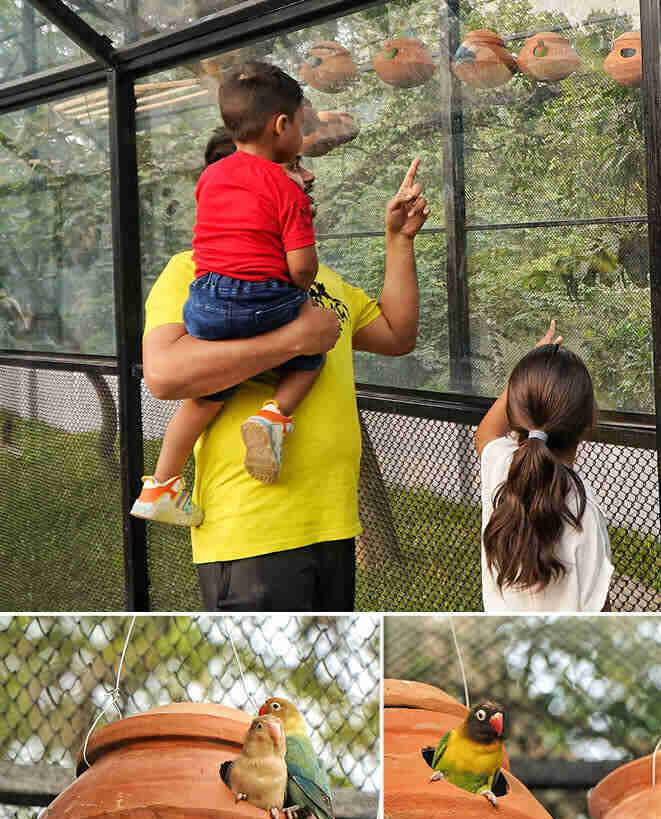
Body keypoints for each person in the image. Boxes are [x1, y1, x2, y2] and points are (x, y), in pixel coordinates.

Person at [140, 132, 428, 610]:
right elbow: (166, 375)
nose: (309, 174)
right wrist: (295, 340)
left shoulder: (320, 278)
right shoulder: (192, 271)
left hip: (333, 525)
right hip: (251, 532)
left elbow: (398, 335)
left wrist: (398, 240)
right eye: (293, 164)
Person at [133, 62, 322, 527]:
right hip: (263, 299)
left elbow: (224, 235)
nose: (302, 142)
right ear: (281, 126)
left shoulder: (210, 179)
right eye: (302, 129)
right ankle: (274, 416)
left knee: (207, 395)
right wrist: (301, 293)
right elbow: (300, 266)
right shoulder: (286, 188)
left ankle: (161, 484)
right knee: (311, 350)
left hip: (207, 300)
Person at [475, 321, 614, 612]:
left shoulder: (502, 468)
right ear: (589, 420)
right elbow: (598, 610)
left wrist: (527, 377)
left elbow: (486, 432)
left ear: (515, 410)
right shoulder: (583, 509)